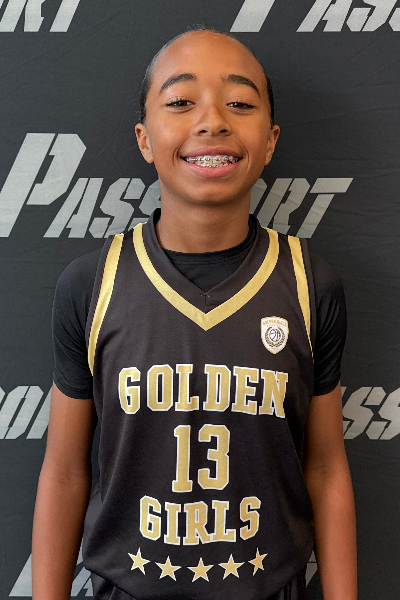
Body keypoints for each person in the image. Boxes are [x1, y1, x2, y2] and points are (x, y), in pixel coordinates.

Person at [32, 27, 357, 600]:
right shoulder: (92, 284)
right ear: (144, 138)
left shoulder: (310, 284)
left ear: (271, 140)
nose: (213, 121)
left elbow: (326, 469)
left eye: (240, 103)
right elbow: (63, 472)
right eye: (181, 101)